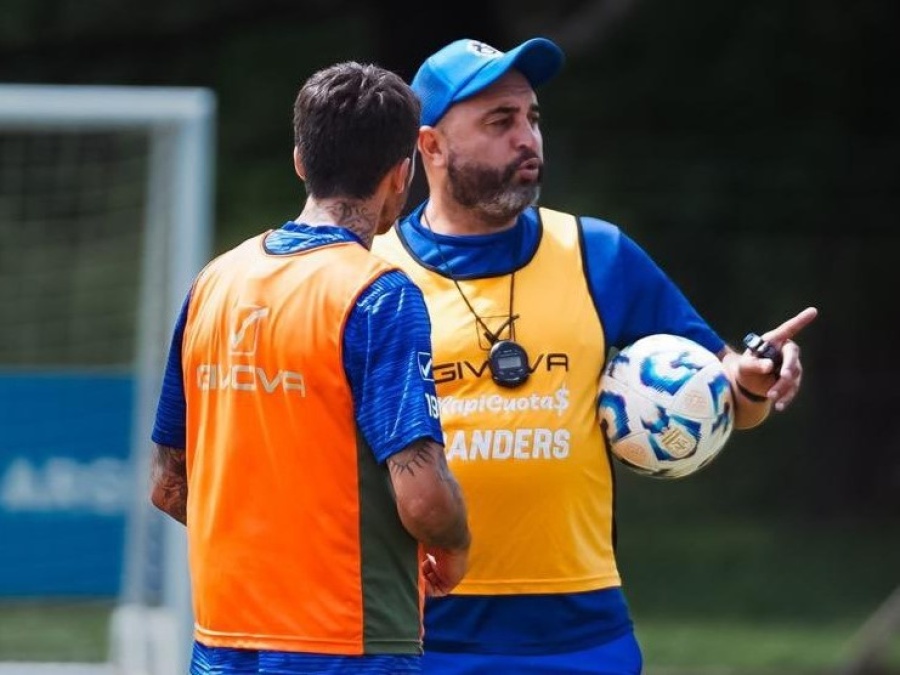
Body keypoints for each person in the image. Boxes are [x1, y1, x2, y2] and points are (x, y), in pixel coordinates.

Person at [371, 37, 818, 673]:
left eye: (532, 118)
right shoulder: (372, 274)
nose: (527, 138)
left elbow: (727, 398)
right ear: (431, 146)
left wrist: (749, 383)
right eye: (500, 122)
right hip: (418, 633)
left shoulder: (599, 253)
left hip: (581, 632)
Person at [149, 61, 471, 675]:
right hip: (346, 642)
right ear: (401, 176)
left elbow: (168, 484)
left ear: (300, 159)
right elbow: (424, 499)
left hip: (222, 642)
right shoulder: (379, 294)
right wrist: (453, 545)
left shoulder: (214, 282)